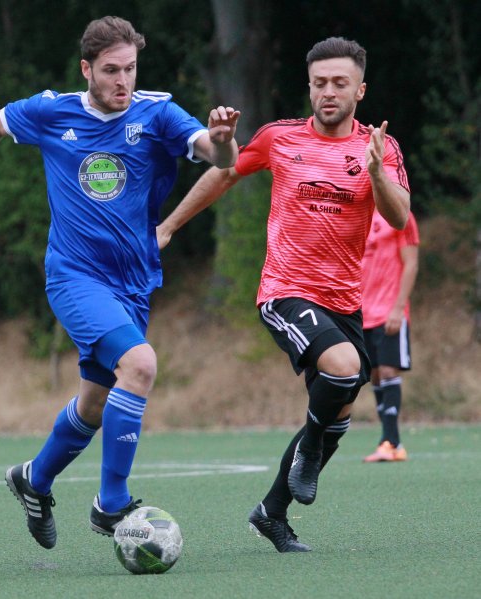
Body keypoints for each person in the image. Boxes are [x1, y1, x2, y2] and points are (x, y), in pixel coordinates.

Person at [0, 16, 240, 550]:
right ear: (87, 70)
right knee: (140, 365)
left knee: (95, 404)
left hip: (135, 282)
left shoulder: (157, 112)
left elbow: (219, 159)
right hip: (74, 276)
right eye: (112, 71)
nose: (123, 81)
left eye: (131, 70)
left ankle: (34, 479)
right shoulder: (54, 110)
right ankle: (110, 503)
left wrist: (224, 141)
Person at [157, 37, 410, 552]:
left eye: (340, 83)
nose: (328, 92)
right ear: (309, 87)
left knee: (338, 411)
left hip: (346, 302)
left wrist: (378, 172)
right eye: (320, 83)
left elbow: (400, 217)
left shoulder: (379, 148)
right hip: (286, 291)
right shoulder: (280, 138)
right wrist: (167, 228)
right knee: (345, 370)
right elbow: (225, 173)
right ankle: (309, 451)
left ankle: (272, 512)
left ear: (360, 90)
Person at [361, 210, 419, 462]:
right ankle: (388, 441)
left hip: (388, 311)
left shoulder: (399, 214)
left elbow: (411, 263)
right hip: (359, 312)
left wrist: (398, 307)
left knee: (387, 371)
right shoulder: (354, 210)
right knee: (373, 374)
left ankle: (392, 442)